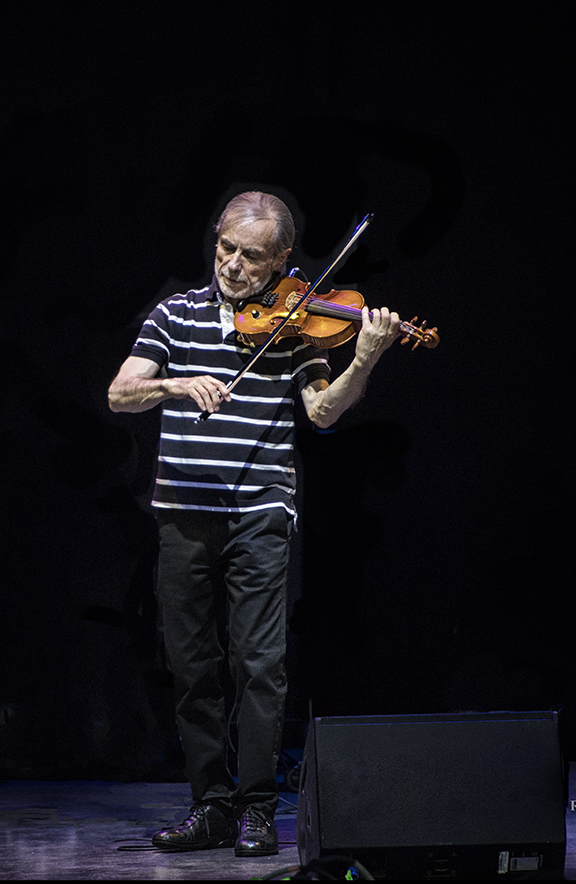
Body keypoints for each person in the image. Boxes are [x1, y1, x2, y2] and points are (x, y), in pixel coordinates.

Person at [108, 191, 401, 857]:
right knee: (191, 666)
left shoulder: (295, 324)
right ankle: (210, 804)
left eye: (251, 256)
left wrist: (366, 357)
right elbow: (119, 392)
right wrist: (177, 386)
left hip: (260, 509)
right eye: (225, 249)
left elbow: (322, 412)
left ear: (281, 261)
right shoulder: (174, 314)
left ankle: (258, 808)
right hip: (183, 510)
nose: (233, 266)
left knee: (259, 665)